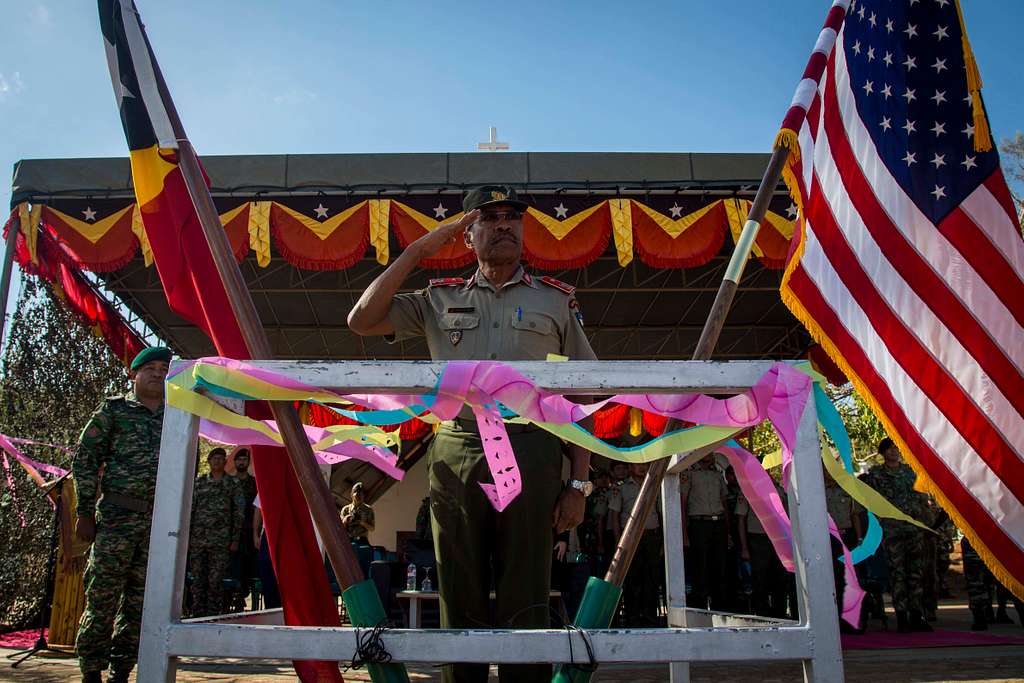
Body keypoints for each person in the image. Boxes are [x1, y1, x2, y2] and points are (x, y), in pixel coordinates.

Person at [348, 185, 596, 683]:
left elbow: (581, 395)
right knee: (458, 585)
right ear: (468, 234)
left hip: (532, 448)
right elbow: (362, 320)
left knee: (526, 586)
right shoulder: (438, 298)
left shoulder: (555, 301)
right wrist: (418, 251)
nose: (505, 225)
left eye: (513, 218)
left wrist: (578, 483)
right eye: (491, 218)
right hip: (458, 449)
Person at [72, 346, 171, 683]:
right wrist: (84, 511)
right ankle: (91, 670)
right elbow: (85, 461)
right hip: (116, 517)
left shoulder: (176, 414)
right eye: (151, 368)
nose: (158, 373)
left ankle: (122, 671)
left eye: (163, 368)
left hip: (158, 523)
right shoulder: (113, 412)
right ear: (134, 373)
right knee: (102, 596)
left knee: (139, 602)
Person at [861, 438, 932, 633]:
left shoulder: (911, 472)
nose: (894, 451)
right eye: (890, 449)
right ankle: (902, 615)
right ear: (883, 453)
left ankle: (917, 615)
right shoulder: (876, 475)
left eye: (896, 448)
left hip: (913, 529)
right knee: (897, 573)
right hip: (891, 530)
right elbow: (871, 503)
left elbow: (922, 499)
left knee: (916, 573)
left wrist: (926, 525)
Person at [188, 448, 245, 617]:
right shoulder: (199, 483)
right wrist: (188, 537)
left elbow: (239, 513)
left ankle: (213, 614)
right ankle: (197, 613)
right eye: (214, 458)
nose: (217, 461)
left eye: (221, 458)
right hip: (198, 540)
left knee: (215, 580)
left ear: (226, 462)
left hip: (221, 541)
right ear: (209, 461)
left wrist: (235, 539)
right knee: (198, 579)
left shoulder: (233, 484)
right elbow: (190, 510)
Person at [608, 462, 663, 626]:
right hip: (630, 538)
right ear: (630, 468)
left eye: (645, 465)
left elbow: (660, 512)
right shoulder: (622, 488)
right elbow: (615, 516)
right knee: (633, 579)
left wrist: (662, 540)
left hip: (651, 536)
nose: (642, 468)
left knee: (652, 578)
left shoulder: (654, 484)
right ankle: (633, 617)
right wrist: (620, 543)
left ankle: (650, 617)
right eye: (637, 465)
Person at [680, 454, 730, 611]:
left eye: (710, 452)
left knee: (721, 566)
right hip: (699, 523)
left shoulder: (717, 474)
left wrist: (728, 533)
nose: (708, 455)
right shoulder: (689, 474)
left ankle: (720, 607)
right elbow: (683, 503)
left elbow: (724, 502)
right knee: (700, 567)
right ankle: (700, 607)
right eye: (704, 452)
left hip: (719, 523)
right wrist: (684, 534)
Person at [230, 448, 258, 611]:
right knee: (232, 566)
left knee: (247, 567)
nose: (241, 462)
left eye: (244, 460)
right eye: (238, 460)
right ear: (234, 462)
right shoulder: (229, 482)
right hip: (230, 532)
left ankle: (241, 597)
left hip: (248, 532)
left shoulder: (254, 483)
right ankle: (231, 597)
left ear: (248, 463)